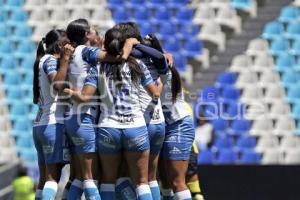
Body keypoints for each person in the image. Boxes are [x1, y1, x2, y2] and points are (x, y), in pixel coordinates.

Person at [64, 27, 161, 200]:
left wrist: (69, 91)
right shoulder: (137, 65)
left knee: (108, 180)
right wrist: (160, 84)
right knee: (142, 182)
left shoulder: (97, 67)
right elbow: (155, 93)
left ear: (107, 45)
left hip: (108, 129)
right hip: (135, 128)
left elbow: (85, 97)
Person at [32, 29, 74, 200]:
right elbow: (57, 84)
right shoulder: (50, 60)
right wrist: (65, 60)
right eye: (67, 42)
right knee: (52, 178)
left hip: (40, 126)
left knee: (43, 179)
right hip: (52, 124)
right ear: (59, 45)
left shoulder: (42, 60)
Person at [159, 58, 195, 200]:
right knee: (164, 180)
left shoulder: (165, 71)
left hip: (177, 125)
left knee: (177, 181)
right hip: (162, 127)